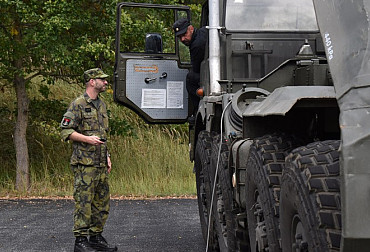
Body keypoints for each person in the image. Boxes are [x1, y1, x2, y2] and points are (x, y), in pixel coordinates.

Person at [60, 68, 117, 252]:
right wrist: (87, 139)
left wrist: (107, 156)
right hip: (85, 164)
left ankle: (95, 237)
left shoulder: (101, 105)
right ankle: (81, 241)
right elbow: (65, 131)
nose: (105, 82)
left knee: (101, 202)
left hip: (100, 163)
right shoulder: (78, 104)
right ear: (92, 81)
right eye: (102, 79)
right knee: (83, 202)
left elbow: (102, 134)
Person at [173, 18, 208, 119]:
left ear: (191, 28)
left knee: (191, 78)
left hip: (211, 75)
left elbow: (196, 69)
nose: (182, 39)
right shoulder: (203, 31)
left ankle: (197, 111)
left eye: (184, 35)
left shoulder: (196, 45)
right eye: (179, 37)